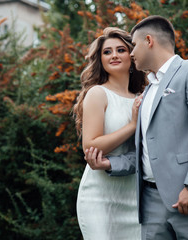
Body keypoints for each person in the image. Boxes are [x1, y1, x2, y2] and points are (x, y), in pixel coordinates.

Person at [85, 15, 188, 240]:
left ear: (149, 41)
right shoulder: (147, 91)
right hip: (150, 205)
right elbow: (149, 153)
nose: (131, 54)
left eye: (133, 46)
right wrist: (111, 163)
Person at [73, 27, 147, 240]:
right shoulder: (97, 93)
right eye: (107, 52)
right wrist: (132, 125)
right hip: (100, 197)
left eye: (120, 50)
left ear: (131, 56)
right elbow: (91, 147)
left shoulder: (142, 96)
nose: (114, 55)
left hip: (135, 197)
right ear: (101, 60)